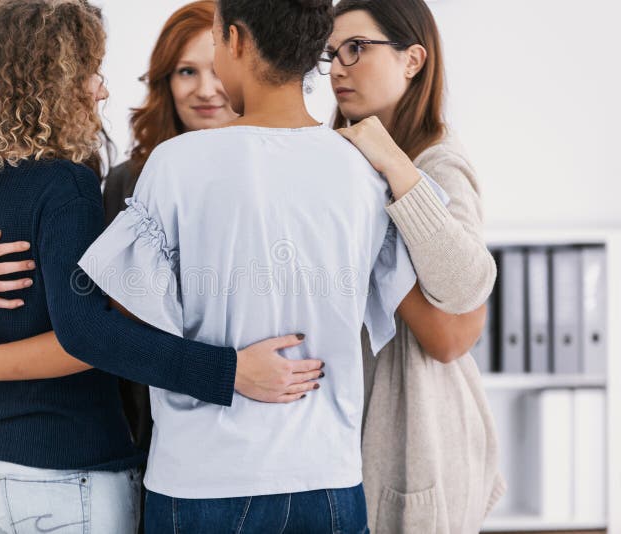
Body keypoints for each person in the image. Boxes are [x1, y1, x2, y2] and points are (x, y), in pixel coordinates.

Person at [0, 1, 321, 532]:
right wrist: (229, 371)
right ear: (55, 80)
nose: (101, 88)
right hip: (60, 474)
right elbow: (86, 332)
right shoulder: (65, 183)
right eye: (91, 71)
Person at [79, 0, 479, 532]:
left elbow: (128, 332)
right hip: (330, 480)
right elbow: (450, 302)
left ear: (237, 41)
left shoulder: (174, 165)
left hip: (202, 482)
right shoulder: (365, 172)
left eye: (217, 41)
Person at [325, 0, 505, 531]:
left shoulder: (437, 161)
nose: (337, 68)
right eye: (331, 53)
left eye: (356, 49)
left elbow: (467, 286)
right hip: (357, 431)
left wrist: (392, 166)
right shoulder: (340, 159)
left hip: (420, 437)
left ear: (412, 60)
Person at [104, 0, 238, 454]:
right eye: (186, 72)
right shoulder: (128, 181)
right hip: (155, 433)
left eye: (217, 69)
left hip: (266, 426)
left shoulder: (281, 172)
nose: (206, 90)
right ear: (165, 80)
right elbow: (111, 326)